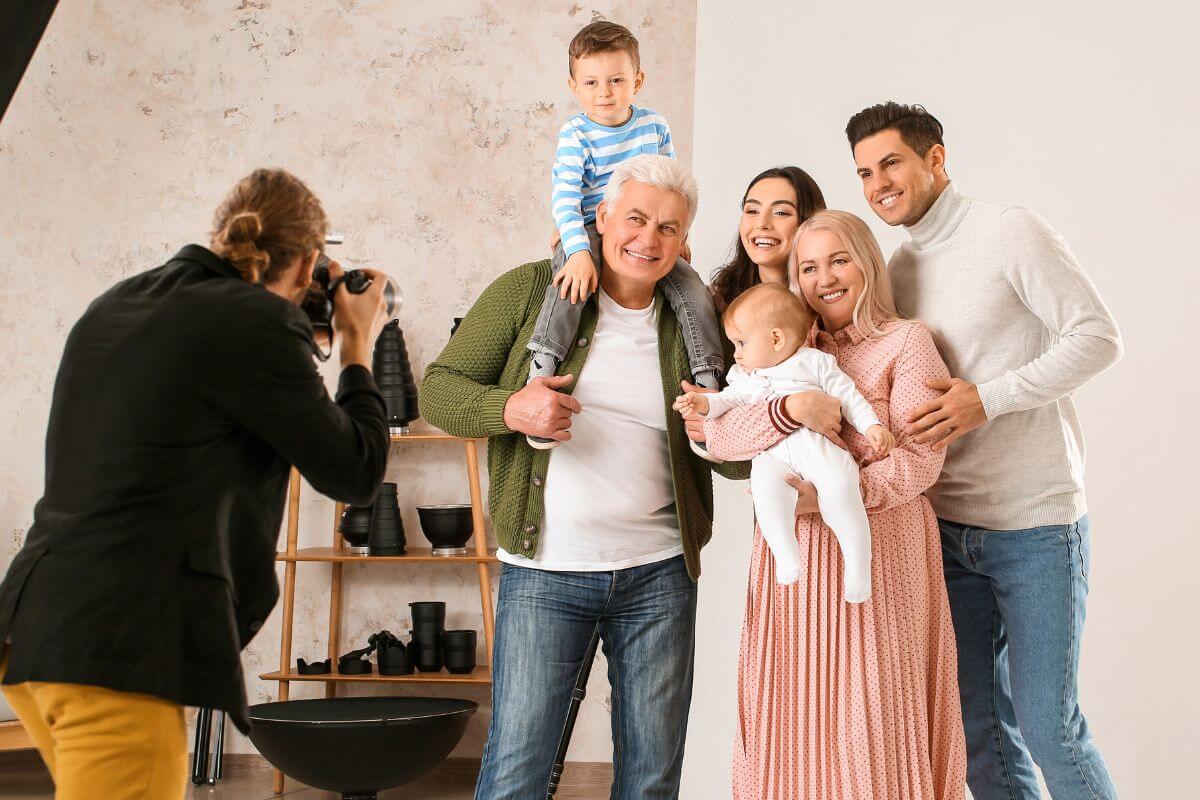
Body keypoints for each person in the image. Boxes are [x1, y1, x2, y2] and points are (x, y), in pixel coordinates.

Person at [0, 169, 391, 800]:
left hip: (36, 630)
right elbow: (356, 471)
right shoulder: (255, 324)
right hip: (120, 647)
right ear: (309, 263)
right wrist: (353, 342)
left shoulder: (121, 301)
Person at [419, 154, 749, 800]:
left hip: (659, 576)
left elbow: (738, 460)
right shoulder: (528, 292)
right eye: (635, 218)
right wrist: (511, 408)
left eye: (668, 228)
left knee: (651, 780)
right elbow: (439, 390)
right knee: (518, 772)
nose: (648, 240)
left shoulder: (700, 323)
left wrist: (721, 432)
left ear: (685, 241)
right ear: (600, 217)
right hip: (545, 573)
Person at [847, 101, 1122, 800]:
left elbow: (1097, 337)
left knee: (1048, 726)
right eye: (864, 172)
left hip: (1036, 525)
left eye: (892, 163)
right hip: (946, 531)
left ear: (935, 158)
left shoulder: (1009, 231)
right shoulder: (898, 268)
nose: (879, 183)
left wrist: (987, 398)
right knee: (979, 732)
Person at [700, 210, 967, 799]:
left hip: (882, 549)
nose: (824, 278)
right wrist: (787, 413)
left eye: (838, 260)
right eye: (809, 266)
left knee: (875, 708)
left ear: (867, 263)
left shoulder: (908, 343)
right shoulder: (782, 347)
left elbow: (920, 462)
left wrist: (829, 499)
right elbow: (720, 439)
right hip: (793, 562)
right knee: (794, 706)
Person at [529, 20, 723, 449]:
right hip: (587, 230)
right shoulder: (576, 134)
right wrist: (577, 247)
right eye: (592, 82)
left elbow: (672, 184)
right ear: (574, 86)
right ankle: (544, 368)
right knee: (568, 287)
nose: (605, 93)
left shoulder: (653, 126)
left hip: (645, 235)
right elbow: (563, 197)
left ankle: (708, 381)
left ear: (637, 81)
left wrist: (678, 233)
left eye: (616, 80)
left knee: (693, 290)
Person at [674, 282, 894, 600]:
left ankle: (858, 566)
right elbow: (727, 401)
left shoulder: (814, 362)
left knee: (841, 491)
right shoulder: (746, 376)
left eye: (741, 343)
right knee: (765, 488)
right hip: (775, 455)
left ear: (776, 338)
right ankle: (786, 554)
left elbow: (848, 396)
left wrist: (871, 426)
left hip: (819, 449)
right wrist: (704, 405)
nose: (735, 353)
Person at [708, 165, 826, 313]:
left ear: (809, 221)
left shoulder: (831, 294)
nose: (762, 224)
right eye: (752, 211)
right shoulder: (717, 301)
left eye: (781, 213)